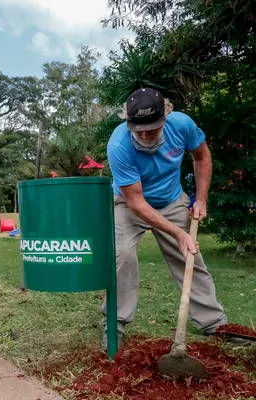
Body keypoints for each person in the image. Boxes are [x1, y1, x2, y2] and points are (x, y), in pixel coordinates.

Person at [103, 87, 245, 348]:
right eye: (138, 128)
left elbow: (201, 156)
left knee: (190, 256)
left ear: (166, 116)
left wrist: (200, 198)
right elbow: (135, 201)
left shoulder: (182, 125)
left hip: (170, 199)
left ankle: (213, 322)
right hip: (128, 203)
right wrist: (178, 232)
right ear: (128, 121)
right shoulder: (119, 144)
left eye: (152, 128)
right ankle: (116, 323)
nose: (145, 134)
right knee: (121, 255)